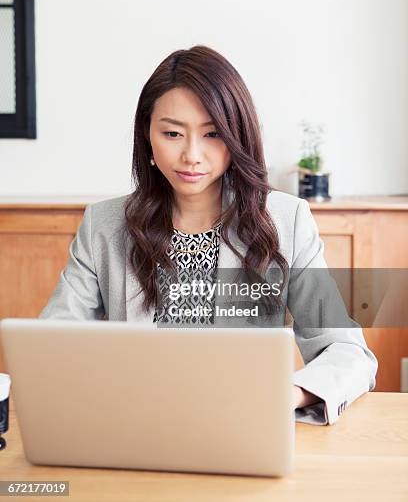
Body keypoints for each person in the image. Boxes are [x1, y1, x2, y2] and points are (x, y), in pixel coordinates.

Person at [39, 45, 378, 425]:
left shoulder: (286, 220)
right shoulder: (104, 224)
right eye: (172, 133)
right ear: (147, 136)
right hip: (135, 425)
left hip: (240, 426)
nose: (192, 155)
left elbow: (347, 353)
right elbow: (52, 344)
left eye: (213, 134)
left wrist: (289, 394)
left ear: (238, 137)